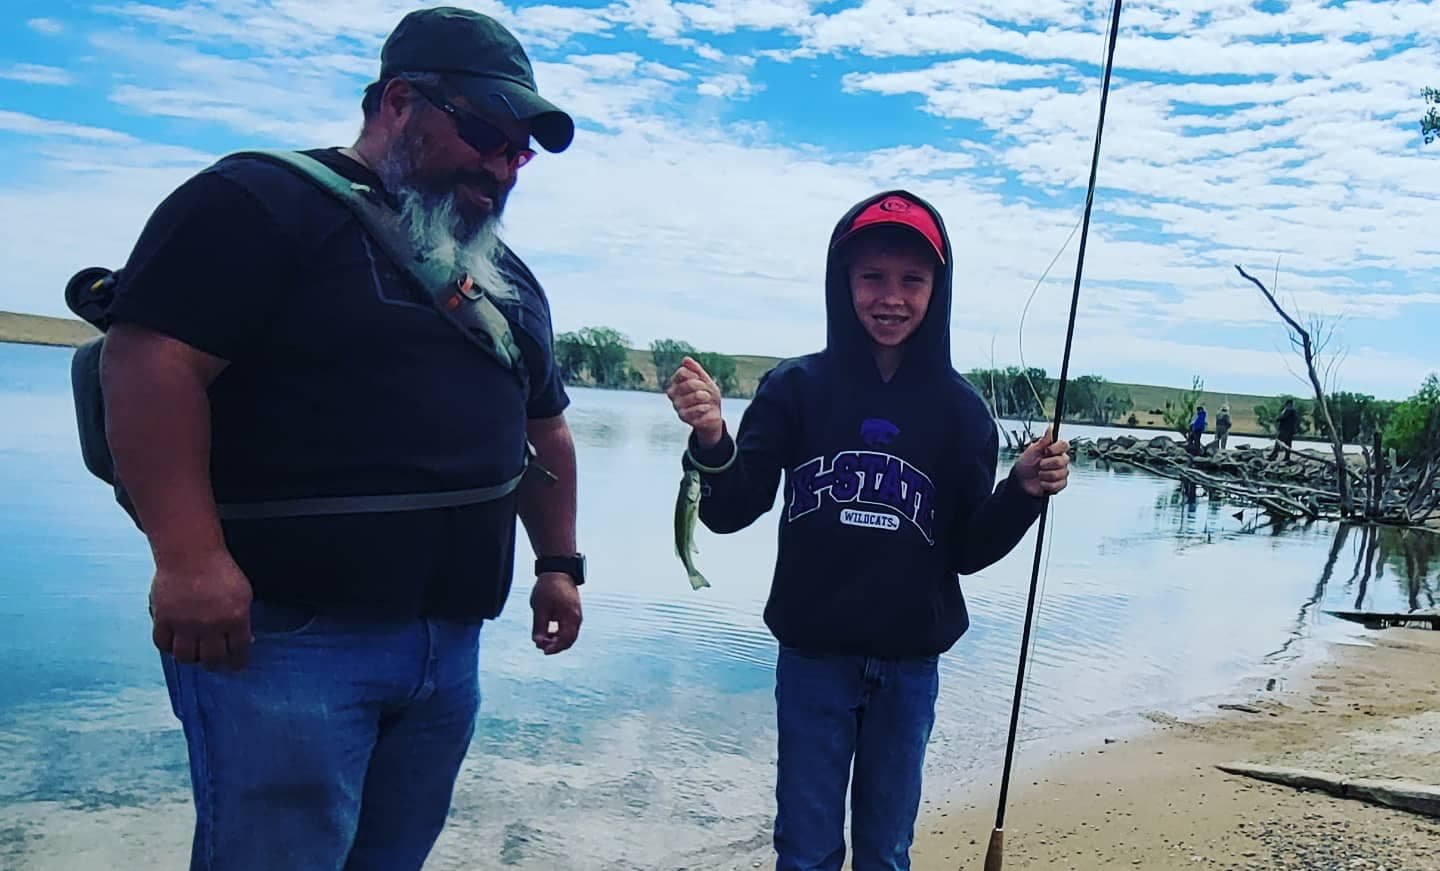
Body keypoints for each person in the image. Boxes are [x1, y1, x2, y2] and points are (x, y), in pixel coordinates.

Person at [98, 8, 586, 869]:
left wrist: (559, 563)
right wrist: (189, 560)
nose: (501, 166)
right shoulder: (258, 202)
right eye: (485, 134)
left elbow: (543, 428)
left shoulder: (507, 282)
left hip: (448, 649)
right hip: (285, 642)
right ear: (398, 102)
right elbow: (148, 364)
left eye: (519, 153)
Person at [664, 190, 1070, 870]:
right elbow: (732, 510)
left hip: (909, 668)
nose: (891, 297)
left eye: (912, 279)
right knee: (806, 849)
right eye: (872, 277)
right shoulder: (793, 390)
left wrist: (1022, 491)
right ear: (842, 280)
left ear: (937, 289)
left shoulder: (962, 413)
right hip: (813, 660)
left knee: (885, 851)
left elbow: (966, 549)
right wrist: (711, 437)